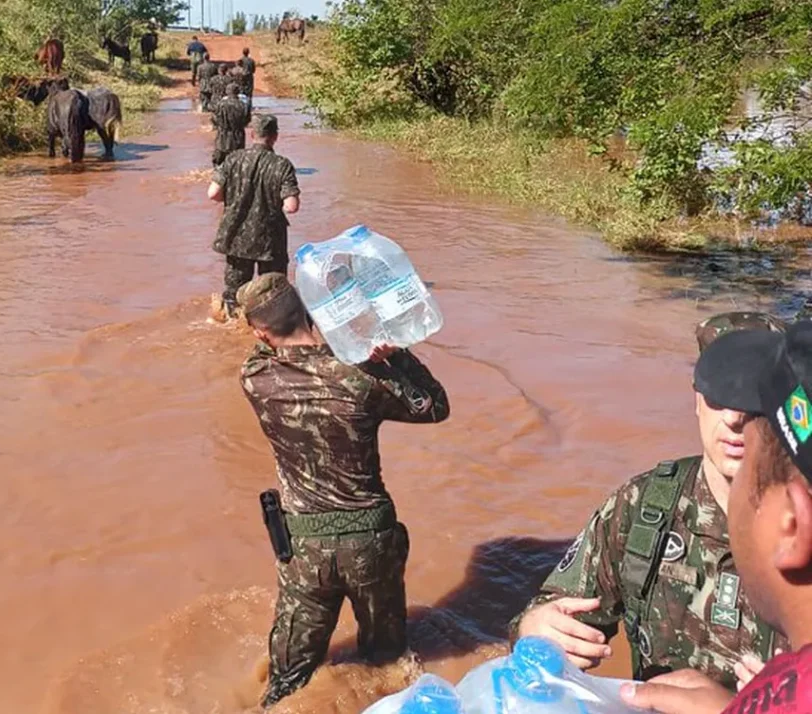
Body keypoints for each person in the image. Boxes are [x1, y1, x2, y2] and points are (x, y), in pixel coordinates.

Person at [509, 312, 789, 692]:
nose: (734, 418)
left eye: (753, 398)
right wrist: (534, 629)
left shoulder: (799, 525)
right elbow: (553, 610)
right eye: (718, 395)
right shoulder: (644, 507)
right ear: (697, 399)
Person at [235, 272, 451, 708]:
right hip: (372, 538)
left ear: (260, 331)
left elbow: (269, 341)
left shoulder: (255, 377)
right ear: (307, 312)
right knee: (388, 662)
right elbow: (434, 407)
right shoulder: (359, 377)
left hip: (304, 546)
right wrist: (393, 356)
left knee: (287, 680)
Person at [621, 321, 812, 714]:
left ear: (791, 523)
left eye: (751, 465)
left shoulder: (789, 695)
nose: (732, 420)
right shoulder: (646, 504)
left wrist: (761, 702)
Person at [206, 114, 300, 317]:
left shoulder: (233, 158)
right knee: (272, 293)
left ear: (252, 134)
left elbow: (213, 194)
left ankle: (232, 324)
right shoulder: (282, 165)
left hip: (236, 236)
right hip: (270, 240)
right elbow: (291, 206)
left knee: (234, 294)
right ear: (275, 137)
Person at [210, 82, 250, 167]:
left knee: (219, 163)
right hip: (238, 136)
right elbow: (247, 121)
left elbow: (214, 120)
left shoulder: (220, 105)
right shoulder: (244, 105)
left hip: (222, 136)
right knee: (237, 163)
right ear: (238, 92)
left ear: (227, 92)